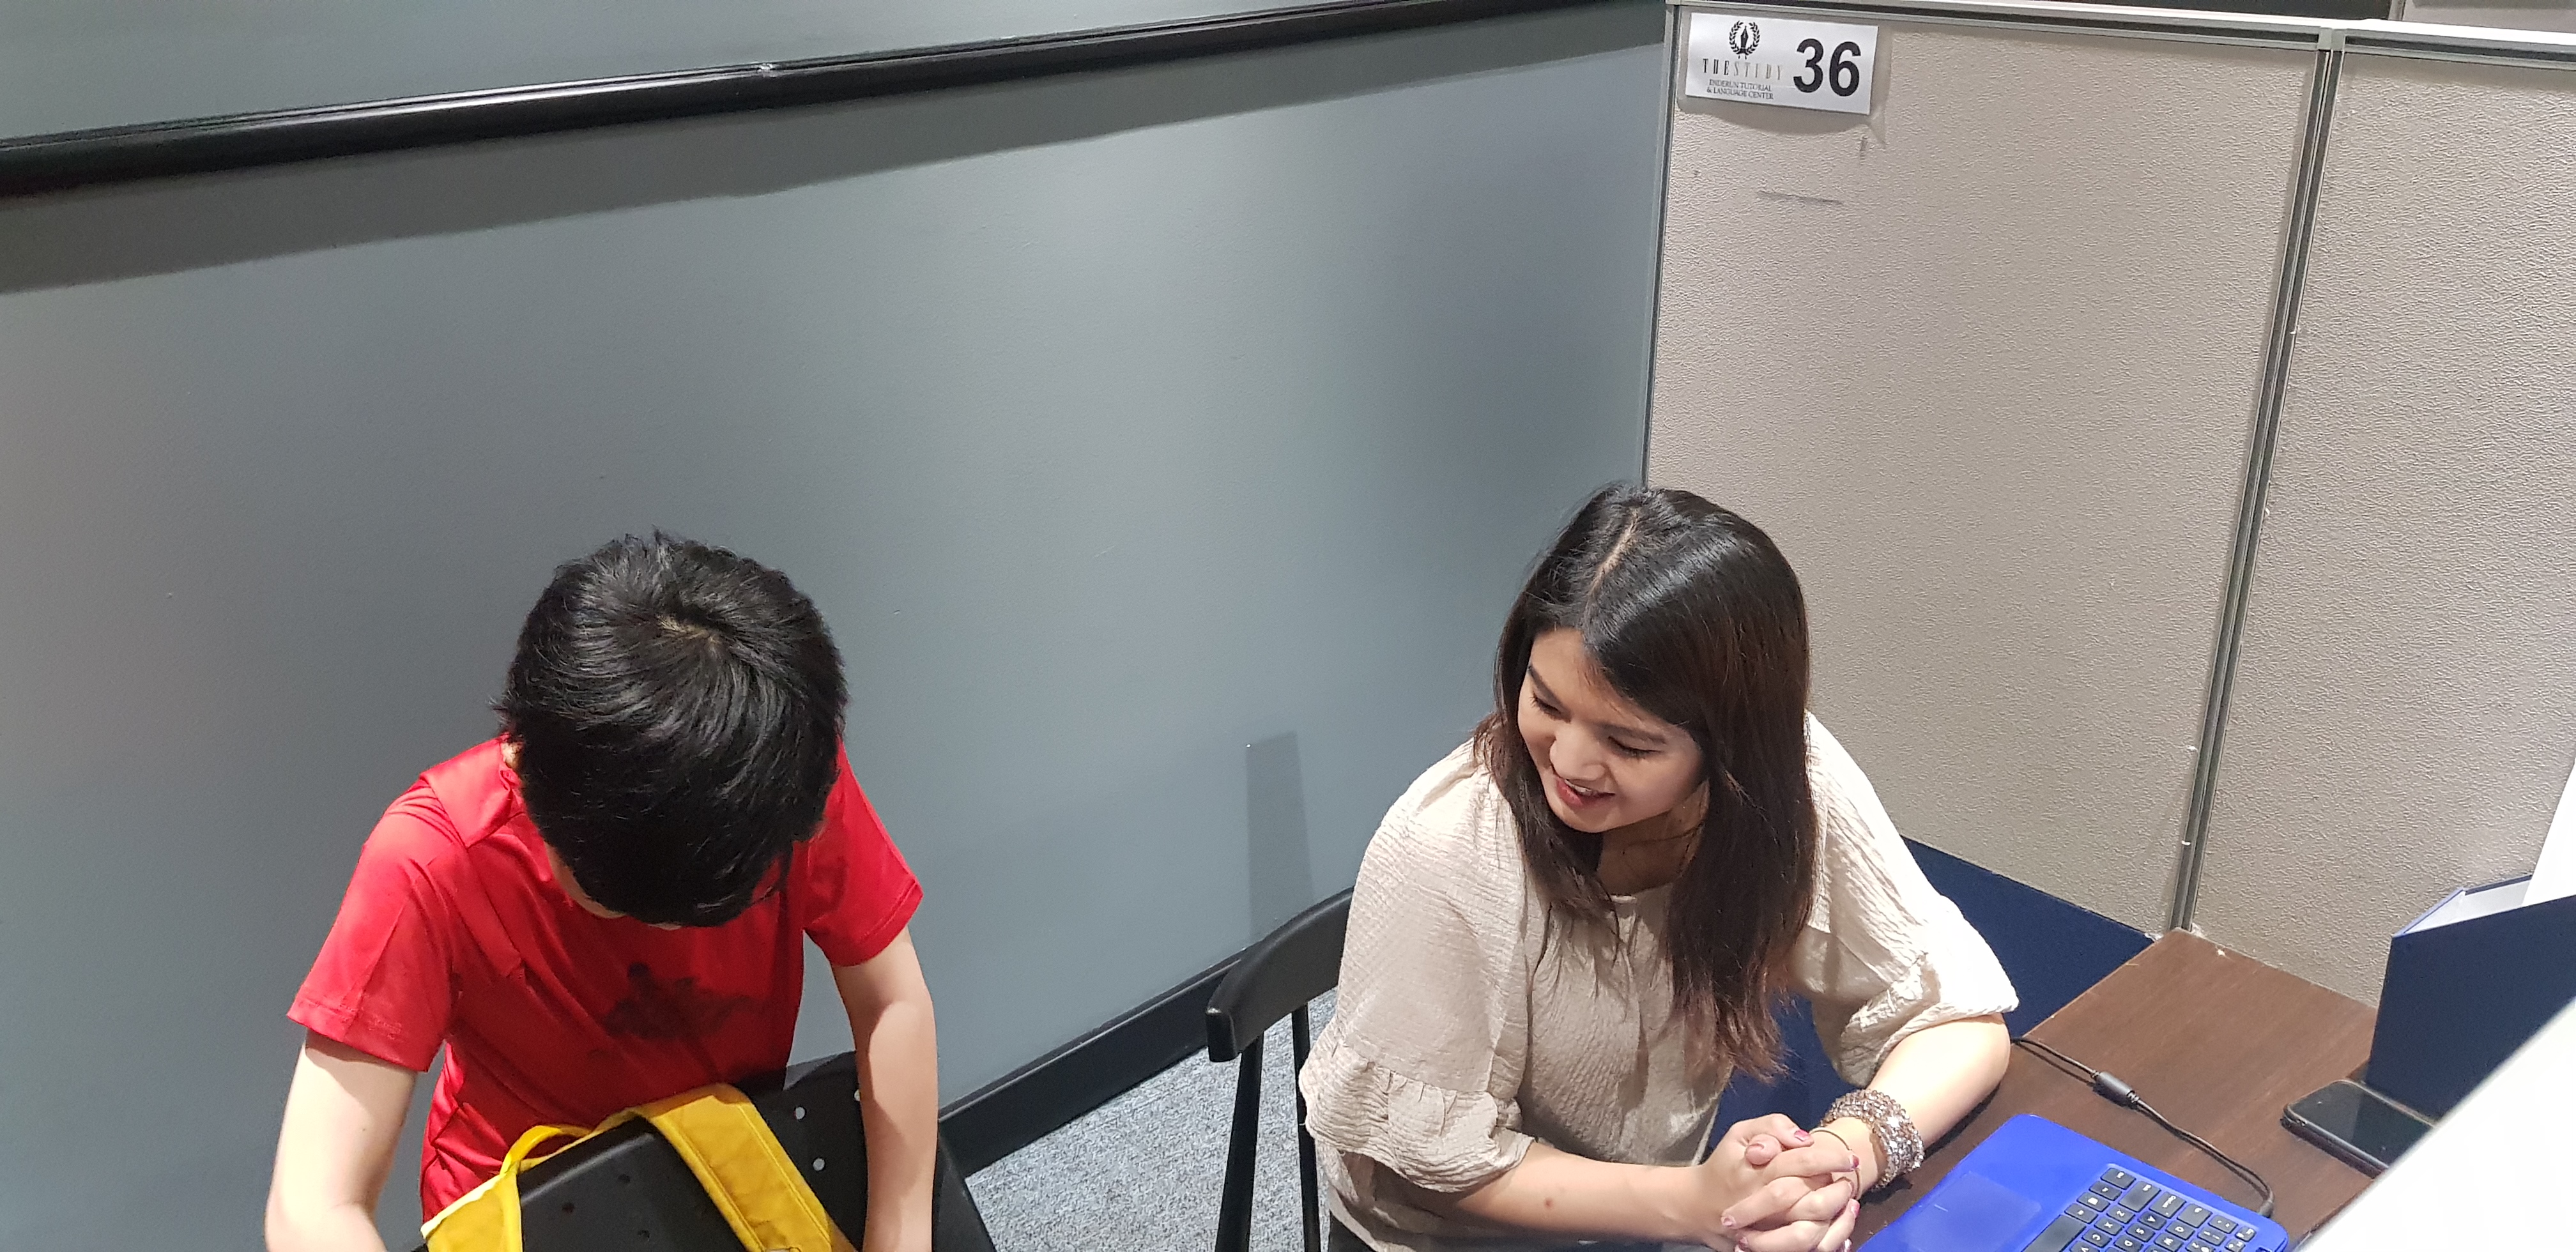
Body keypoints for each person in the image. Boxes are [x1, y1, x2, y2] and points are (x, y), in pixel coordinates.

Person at [1300, 486, 2017, 1252]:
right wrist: (1696, 1204)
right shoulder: (1453, 844)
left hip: (1651, 1219)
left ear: (1732, 747)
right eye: (1546, 702)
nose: (1571, 762)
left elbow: (1959, 1022)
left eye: (1630, 743)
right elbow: (1429, 1164)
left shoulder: (1784, 786)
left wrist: (1838, 1160)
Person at [263, 534, 938, 1252]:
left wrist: (901, 1234)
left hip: (725, 1153)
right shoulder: (433, 856)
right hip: (528, 1199)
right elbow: (311, 1203)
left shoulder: (767, 775)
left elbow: (890, 998)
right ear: (529, 773)